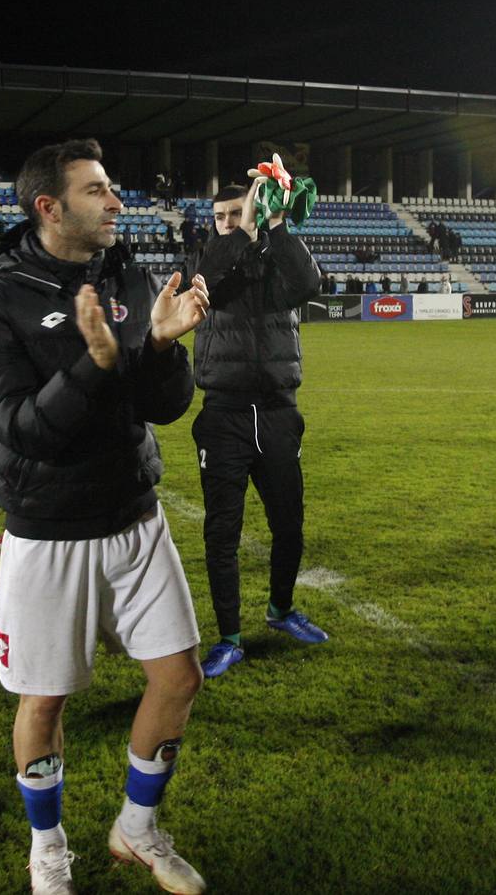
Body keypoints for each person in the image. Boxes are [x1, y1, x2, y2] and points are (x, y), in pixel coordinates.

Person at [0, 138, 210, 895]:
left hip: (135, 516)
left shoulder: (127, 276)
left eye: (112, 187)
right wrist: (93, 362)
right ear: (49, 207)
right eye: (97, 190)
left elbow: (163, 407)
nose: (115, 201)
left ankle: (136, 828)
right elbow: (26, 430)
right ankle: (48, 846)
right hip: (48, 532)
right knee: (46, 700)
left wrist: (162, 348)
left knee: (178, 677)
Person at [186, 179, 329, 681]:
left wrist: (274, 222)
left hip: (277, 412)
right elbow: (206, 280)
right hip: (223, 415)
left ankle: (281, 608)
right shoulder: (208, 262)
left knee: (289, 523)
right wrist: (242, 230)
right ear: (214, 222)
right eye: (222, 216)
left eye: (237, 212)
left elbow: (311, 284)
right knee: (222, 532)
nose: (230, 221)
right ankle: (229, 637)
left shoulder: (278, 261)